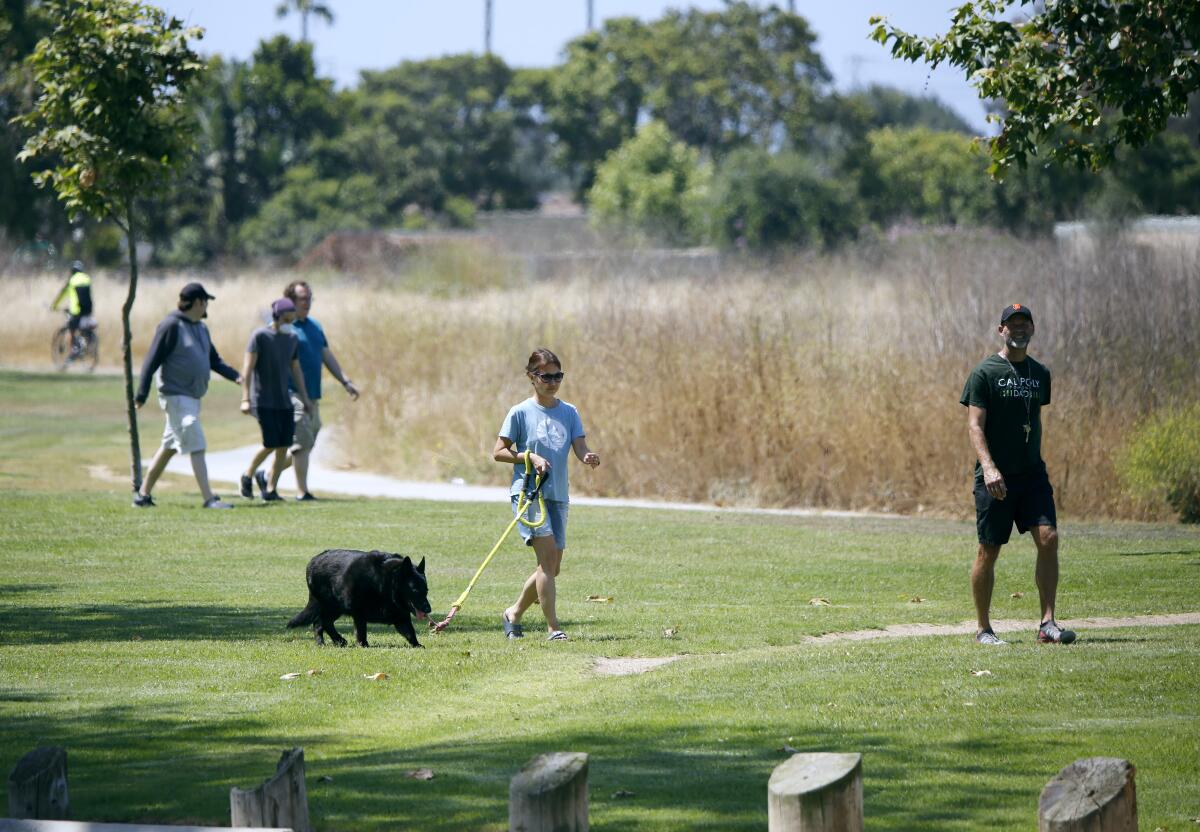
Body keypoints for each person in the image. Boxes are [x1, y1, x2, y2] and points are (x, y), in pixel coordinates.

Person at [960, 303, 1076, 646]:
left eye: (1025, 323)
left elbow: (1032, 421)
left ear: (1032, 329)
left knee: (1049, 538)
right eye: (1013, 325)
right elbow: (974, 425)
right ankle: (983, 629)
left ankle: (1047, 624)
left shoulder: (1040, 374)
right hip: (996, 478)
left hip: (1031, 476)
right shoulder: (985, 373)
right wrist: (990, 467)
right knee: (989, 550)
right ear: (1001, 330)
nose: (1019, 329)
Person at [493, 348, 600, 642]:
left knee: (552, 567)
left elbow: (579, 445)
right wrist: (530, 457)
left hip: (558, 495)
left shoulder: (570, 412)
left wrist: (587, 456)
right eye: (546, 376)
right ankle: (553, 628)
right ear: (532, 377)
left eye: (558, 376)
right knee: (547, 562)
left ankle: (513, 613)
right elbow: (498, 452)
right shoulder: (520, 412)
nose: (553, 382)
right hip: (529, 495)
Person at [240, 280, 359, 501]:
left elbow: (326, 355)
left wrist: (344, 380)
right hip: (289, 394)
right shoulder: (285, 327)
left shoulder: (315, 326)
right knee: (299, 443)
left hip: (311, 393)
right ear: (290, 301)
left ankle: (266, 477)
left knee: (300, 444)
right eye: (303, 298)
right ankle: (302, 492)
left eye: (309, 298)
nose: (308, 302)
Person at [133, 282, 242, 509]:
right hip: (175, 396)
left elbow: (214, 360)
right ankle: (209, 498)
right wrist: (141, 394)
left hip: (192, 398)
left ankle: (142, 495)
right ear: (198, 302)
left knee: (170, 446)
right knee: (196, 440)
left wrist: (236, 377)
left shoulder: (201, 328)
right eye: (206, 301)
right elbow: (151, 361)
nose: (207, 306)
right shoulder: (171, 326)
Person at [239, 298, 312, 502]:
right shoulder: (260, 336)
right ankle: (248, 474)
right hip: (263, 400)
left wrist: (305, 398)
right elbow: (248, 368)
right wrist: (245, 398)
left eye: (292, 319)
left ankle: (271, 489)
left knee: (284, 445)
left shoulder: (291, 339)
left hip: (284, 400)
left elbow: (295, 368)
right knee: (270, 443)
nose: (290, 323)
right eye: (287, 319)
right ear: (277, 317)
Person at [50, 260, 93, 358]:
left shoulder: (72, 280)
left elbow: (62, 294)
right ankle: (88, 345)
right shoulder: (87, 278)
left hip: (76, 310)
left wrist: (54, 305)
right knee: (83, 328)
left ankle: (73, 351)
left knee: (71, 329)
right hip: (88, 308)